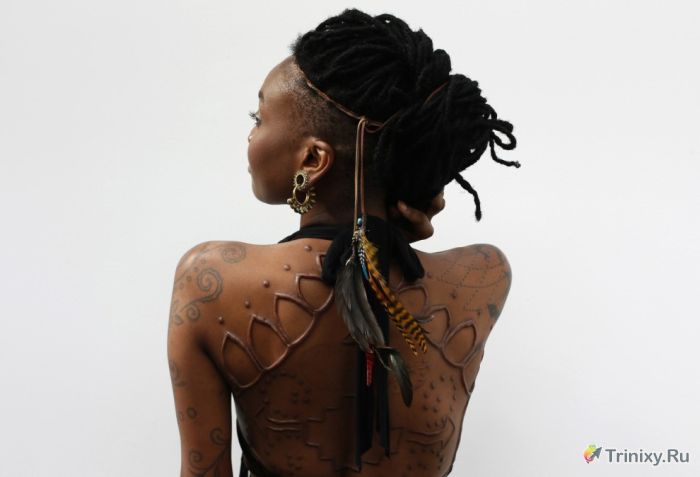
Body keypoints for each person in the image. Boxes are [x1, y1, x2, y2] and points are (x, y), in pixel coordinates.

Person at [168, 8, 519, 477]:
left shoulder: (210, 281)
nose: (250, 133)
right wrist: (395, 226)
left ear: (313, 160)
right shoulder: (484, 277)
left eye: (258, 117)